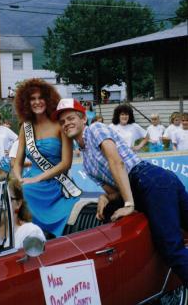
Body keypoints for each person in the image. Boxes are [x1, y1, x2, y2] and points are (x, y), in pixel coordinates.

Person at [53, 98, 188, 288]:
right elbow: (114, 192)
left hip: (148, 179)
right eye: (62, 122)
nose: (66, 123)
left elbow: (117, 163)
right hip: (149, 186)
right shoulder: (86, 163)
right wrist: (105, 197)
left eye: (70, 118)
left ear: (83, 119)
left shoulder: (95, 129)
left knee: (171, 249)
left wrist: (129, 204)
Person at [13, 79, 80, 237]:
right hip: (30, 181)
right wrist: (18, 179)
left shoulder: (60, 124)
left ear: (48, 99)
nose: (37, 102)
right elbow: (18, 162)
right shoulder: (25, 127)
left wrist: (37, 179)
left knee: (26, 192)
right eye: (32, 99)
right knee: (17, 194)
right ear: (26, 103)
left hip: (56, 183)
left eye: (40, 98)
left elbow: (66, 163)